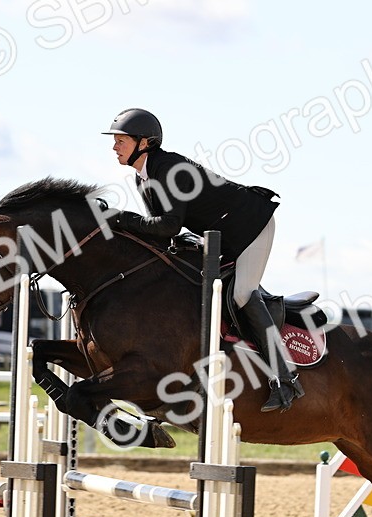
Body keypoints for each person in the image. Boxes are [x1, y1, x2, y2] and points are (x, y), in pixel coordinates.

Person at [101, 107, 302, 413]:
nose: (115, 146)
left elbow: (167, 226)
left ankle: (285, 380)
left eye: (121, 140)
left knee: (241, 294)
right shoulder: (144, 179)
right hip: (220, 237)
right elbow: (162, 234)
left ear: (144, 142)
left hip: (252, 227)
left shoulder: (169, 168)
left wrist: (120, 219)